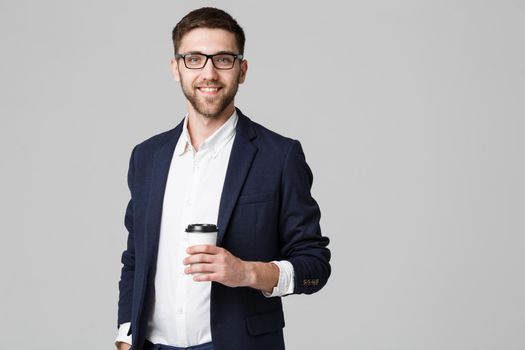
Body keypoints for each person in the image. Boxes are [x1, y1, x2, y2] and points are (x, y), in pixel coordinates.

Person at [116, 7, 331, 350]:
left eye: (224, 59)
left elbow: (315, 265)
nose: (209, 72)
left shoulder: (279, 156)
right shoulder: (147, 157)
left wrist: (247, 273)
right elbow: (135, 258)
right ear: (176, 69)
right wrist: (126, 336)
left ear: (242, 70)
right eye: (194, 59)